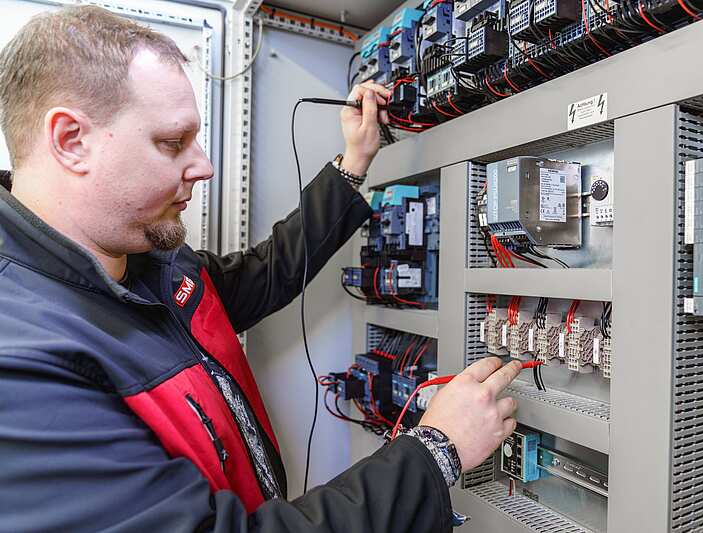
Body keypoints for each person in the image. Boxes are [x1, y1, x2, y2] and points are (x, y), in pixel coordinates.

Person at [0, 6, 522, 532]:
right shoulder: (22, 366)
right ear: (71, 140)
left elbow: (267, 274)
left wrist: (354, 162)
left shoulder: (146, 264)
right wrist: (435, 450)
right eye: (172, 142)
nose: (203, 165)